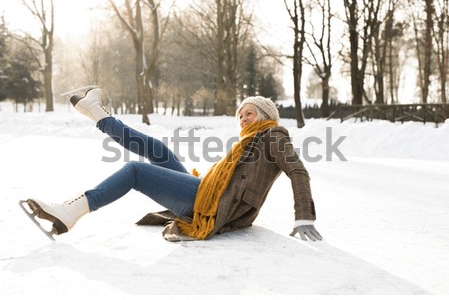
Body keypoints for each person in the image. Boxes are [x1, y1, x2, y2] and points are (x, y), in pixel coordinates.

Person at [24, 87, 322, 242]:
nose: (243, 119)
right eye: (240, 115)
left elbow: (297, 171)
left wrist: (304, 216)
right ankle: (97, 114)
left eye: (250, 114)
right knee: (157, 149)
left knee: (135, 171)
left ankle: (69, 212)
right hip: (207, 194)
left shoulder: (273, 134)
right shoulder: (248, 141)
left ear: (265, 115)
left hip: (214, 207)